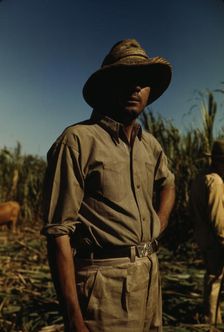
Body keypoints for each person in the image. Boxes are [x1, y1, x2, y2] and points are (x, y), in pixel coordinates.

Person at [42, 39, 175, 332]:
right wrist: (73, 318)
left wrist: (158, 224)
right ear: (107, 86)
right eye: (125, 79)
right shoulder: (77, 141)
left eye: (143, 81)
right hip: (104, 288)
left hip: (150, 278)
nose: (134, 88)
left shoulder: (150, 145)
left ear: (150, 91)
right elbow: (58, 232)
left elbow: (168, 184)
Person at [190, 140, 224, 328]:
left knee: (211, 276)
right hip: (214, 240)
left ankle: (212, 318)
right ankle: (213, 322)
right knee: (216, 279)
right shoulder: (216, 182)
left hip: (203, 237)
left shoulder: (200, 177)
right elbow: (218, 221)